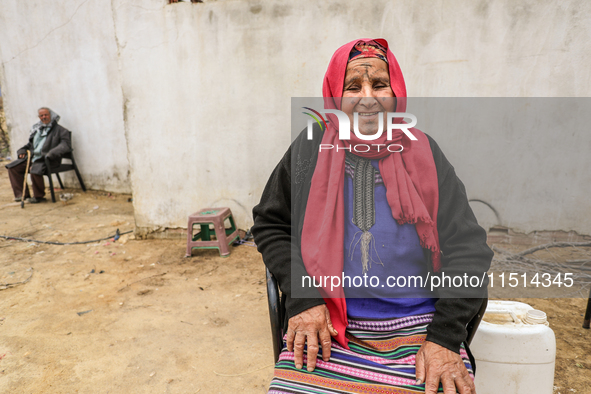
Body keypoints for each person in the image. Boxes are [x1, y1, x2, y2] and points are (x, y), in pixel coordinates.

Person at [252, 38, 493, 394]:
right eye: (353, 86)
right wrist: (305, 300)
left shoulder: (424, 153)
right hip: (329, 325)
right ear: (335, 95)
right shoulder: (308, 148)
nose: (368, 98)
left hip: (420, 329)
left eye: (380, 84)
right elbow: (271, 224)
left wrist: (444, 337)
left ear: (396, 94)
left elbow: (469, 249)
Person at [5, 107, 71, 203]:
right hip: (33, 158)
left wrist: (51, 153)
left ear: (51, 115)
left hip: (48, 160)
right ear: (39, 117)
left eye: (46, 115)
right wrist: (22, 151)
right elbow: (29, 145)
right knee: (13, 168)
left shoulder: (60, 130)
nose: (44, 117)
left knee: (35, 169)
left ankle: (38, 197)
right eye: (41, 115)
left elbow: (65, 145)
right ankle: (22, 195)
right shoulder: (37, 130)